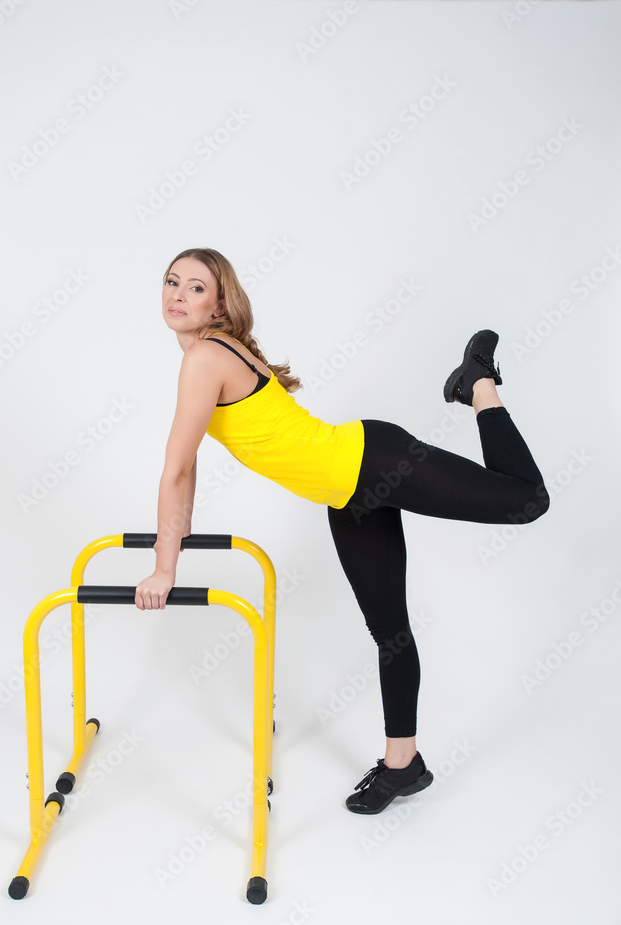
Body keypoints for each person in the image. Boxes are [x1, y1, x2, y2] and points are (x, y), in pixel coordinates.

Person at [135, 247, 550, 815]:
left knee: (527, 500)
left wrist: (164, 567)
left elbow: (178, 468)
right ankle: (403, 766)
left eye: (196, 287)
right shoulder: (210, 353)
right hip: (348, 497)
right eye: (171, 281)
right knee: (390, 632)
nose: (178, 295)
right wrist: (174, 544)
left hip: (373, 460)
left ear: (220, 305)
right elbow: (186, 469)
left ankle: (478, 383)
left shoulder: (205, 357)